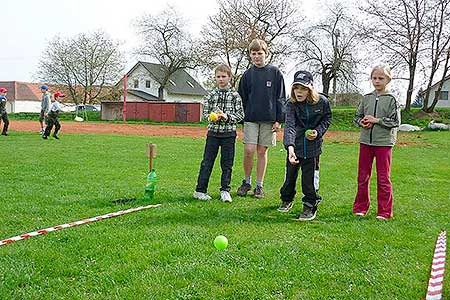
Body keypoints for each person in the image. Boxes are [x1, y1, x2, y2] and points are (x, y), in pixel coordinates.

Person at [278, 71, 332, 221]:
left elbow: (327, 118)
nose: (299, 92)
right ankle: (287, 198)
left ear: (310, 88)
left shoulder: (322, 102)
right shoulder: (291, 104)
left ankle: (310, 204)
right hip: (295, 146)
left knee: (309, 179)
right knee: (289, 176)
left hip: (313, 148)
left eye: (303, 88)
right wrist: (290, 148)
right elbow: (289, 126)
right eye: (296, 88)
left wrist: (318, 132)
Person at [236, 39, 286, 199]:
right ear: (250, 55)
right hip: (250, 118)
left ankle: (259, 186)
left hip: (269, 119)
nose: (257, 56)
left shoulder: (275, 73)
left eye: (260, 53)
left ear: (266, 54)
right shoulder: (247, 75)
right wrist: (241, 120)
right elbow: (241, 99)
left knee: (261, 151)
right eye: (253, 53)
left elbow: (280, 97)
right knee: (249, 150)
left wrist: (279, 119)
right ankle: (246, 182)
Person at [352, 64, 400, 220]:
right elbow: (357, 117)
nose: (377, 81)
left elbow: (395, 121)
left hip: (384, 143)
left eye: (381, 78)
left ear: (388, 79)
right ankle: (360, 207)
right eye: (374, 78)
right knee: (363, 176)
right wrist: (362, 122)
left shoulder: (392, 99)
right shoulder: (366, 98)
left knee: (383, 178)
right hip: (365, 142)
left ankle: (384, 212)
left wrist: (377, 120)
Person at [193, 64, 244, 202]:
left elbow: (240, 115)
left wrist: (226, 116)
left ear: (229, 77)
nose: (221, 79)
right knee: (207, 162)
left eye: (224, 76)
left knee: (227, 164)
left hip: (229, 134)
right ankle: (200, 190)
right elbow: (204, 115)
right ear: (215, 78)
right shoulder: (211, 95)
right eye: (218, 77)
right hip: (213, 134)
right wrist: (212, 116)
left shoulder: (235, 96)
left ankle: (225, 190)